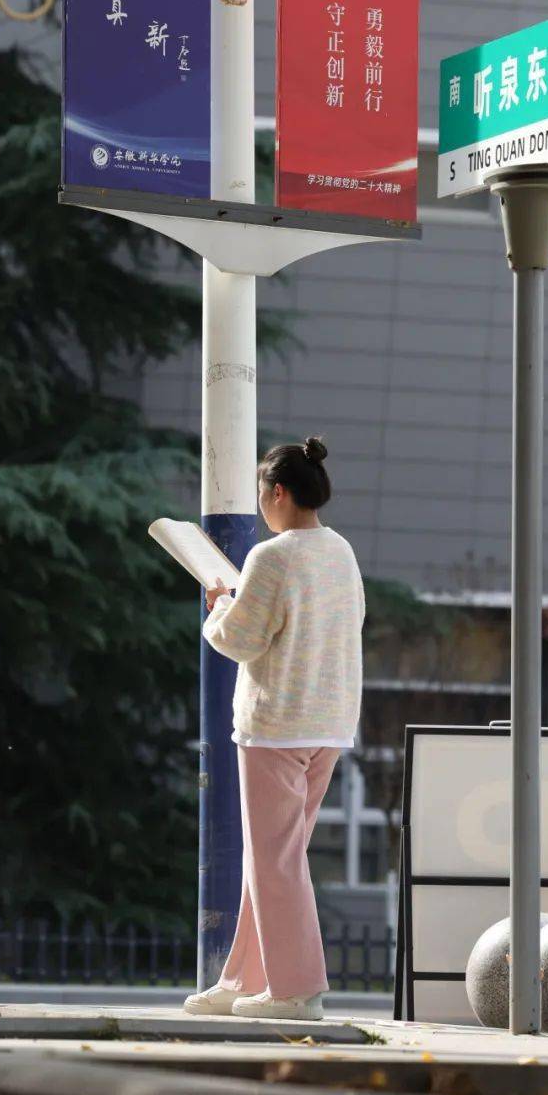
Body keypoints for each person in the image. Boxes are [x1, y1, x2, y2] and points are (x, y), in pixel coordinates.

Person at [184, 435, 365, 1022]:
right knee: (274, 858)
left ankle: (296, 991)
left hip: (276, 726)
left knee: (275, 862)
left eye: (264, 495)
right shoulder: (340, 551)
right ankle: (243, 979)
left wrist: (218, 606)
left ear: (277, 492)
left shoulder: (272, 556)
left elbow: (240, 639)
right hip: (329, 725)